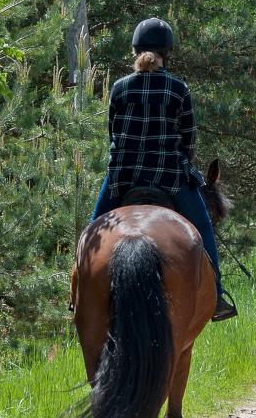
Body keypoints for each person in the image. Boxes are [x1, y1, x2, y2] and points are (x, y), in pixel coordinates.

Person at [91, 18, 236, 321]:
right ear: (167, 53)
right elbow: (188, 139)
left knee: (92, 231)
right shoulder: (178, 88)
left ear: (135, 50)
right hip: (169, 178)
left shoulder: (119, 88)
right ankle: (218, 296)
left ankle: (81, 290)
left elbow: (112, 135)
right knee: (203, 230)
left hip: (123, 177)